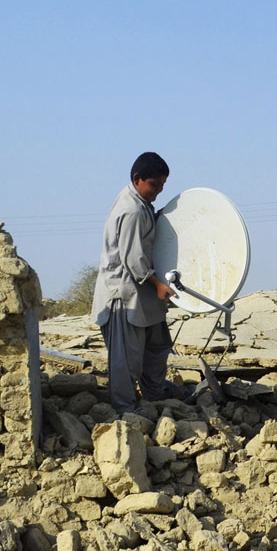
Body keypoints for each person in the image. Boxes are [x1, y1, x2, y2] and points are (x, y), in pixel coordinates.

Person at [91, 152, 177, 414]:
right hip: (124, 294)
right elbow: (133, 259)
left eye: (161, 187)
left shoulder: (140, 204)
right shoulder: (131, 210)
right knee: (125, 360)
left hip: (141, 292)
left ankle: (154, 394)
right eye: (153, 186)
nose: (157, 192)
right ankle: (125, 412)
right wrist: (159, 285)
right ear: (137, 179)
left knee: (157, 345)